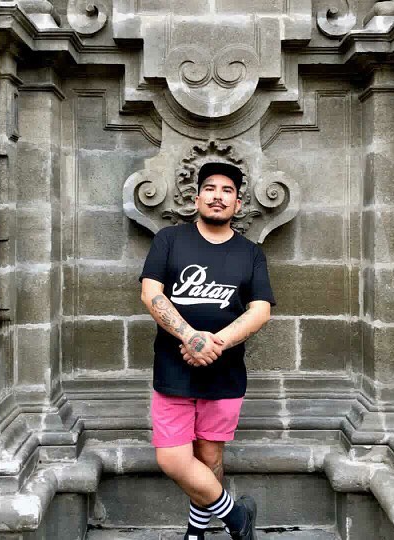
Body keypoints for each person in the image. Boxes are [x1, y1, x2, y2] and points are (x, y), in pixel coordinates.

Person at [139, 161, 276, 540]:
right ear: (196, 198)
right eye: (211, 188)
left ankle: (195, 533)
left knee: (210, 459)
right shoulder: (169, 240)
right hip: (173, 371)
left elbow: (260, 310)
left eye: (227, 191)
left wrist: (214, 344)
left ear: (238, 203)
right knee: (173, 459)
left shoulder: (250, 253)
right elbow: (151, 294)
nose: (218, 196)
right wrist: (189, 337)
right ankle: (237, 516)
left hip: (225, 374)